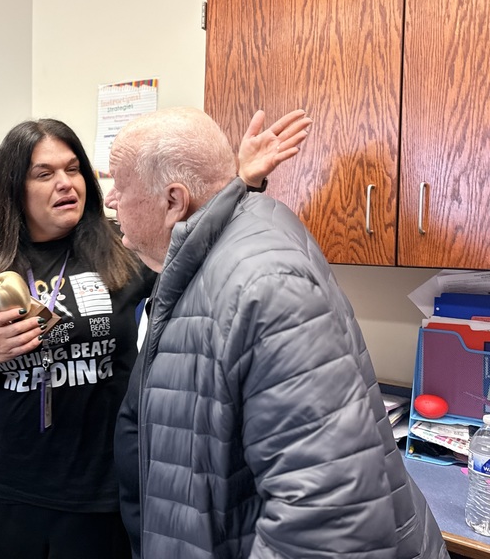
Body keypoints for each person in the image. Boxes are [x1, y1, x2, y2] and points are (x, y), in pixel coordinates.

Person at [0, 109, 311, 559]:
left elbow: (199, 240)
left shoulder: (124, 247)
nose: (66, 183)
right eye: (45, 174)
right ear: (14, 187)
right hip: (9, 490)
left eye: (74, 169)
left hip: (103, 491)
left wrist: (241, 181)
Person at [105, 106, 448, 559]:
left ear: (173, 201)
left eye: (119, 184)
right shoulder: (209, 255)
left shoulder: (263, 286)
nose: (110, 199)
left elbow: (329, 524)